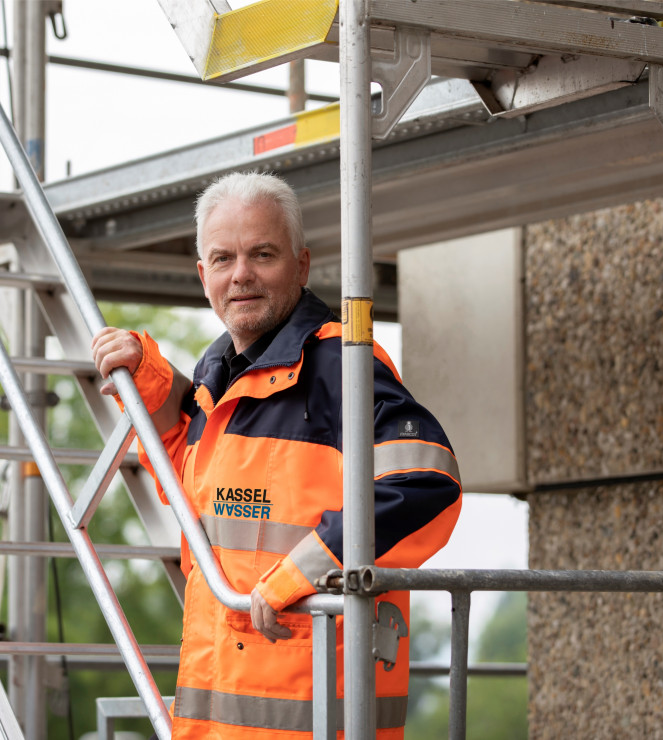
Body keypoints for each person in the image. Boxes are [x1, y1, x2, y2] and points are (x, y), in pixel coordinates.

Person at [91, 171, 462, 739]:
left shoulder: (341, 365)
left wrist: (302, 574)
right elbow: (190, 495)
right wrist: (150, 382)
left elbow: (426, 483)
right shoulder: (220, 384)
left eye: (262, 254)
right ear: (203, 275)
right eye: (223, 259)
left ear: (302, 265)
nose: (241, 274)